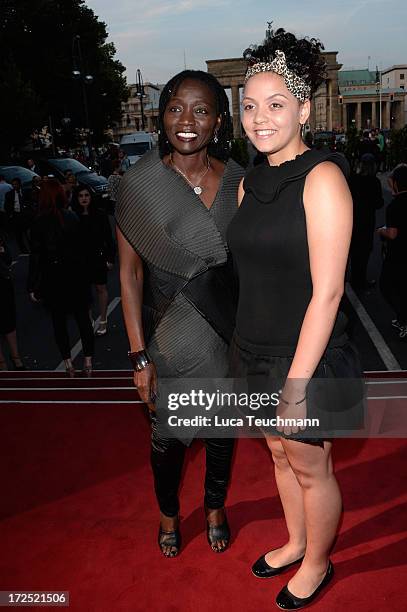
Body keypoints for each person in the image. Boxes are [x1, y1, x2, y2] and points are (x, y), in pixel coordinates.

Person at [227, 28, 363, 609]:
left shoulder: (323, 178)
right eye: (250, 106)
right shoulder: (247, 182)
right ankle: (297, 540)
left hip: (302, 355)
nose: (260, 118)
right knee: (279, 455)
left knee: (312, 467)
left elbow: (328, 293)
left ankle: (317, 562)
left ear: (303, 109)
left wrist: (298, 383)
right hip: (252, 346)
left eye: (276, 104)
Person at [116, 70, 244, 558]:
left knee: (220, 435)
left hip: (222, 336)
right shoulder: (139, 185)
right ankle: (170, 512)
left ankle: (214, 507)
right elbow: (128, 276)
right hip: (166, 340)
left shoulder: (237, 182)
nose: (186, 121)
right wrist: (138, 358)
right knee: (167, 445)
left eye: (201, 110)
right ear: (162, 114)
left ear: (217, 121)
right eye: (175, 108)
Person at [27, 179, 94, 376]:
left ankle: (68, 364)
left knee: (59, 323)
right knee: (83, 320)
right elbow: (82, 251)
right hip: (75, 276)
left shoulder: (39, 222)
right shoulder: (72, 217)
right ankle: (88, 362)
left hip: (53, 277)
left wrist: (33, 285)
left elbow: (36, 256)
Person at [71, 186, 116, 336]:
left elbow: (108, 238)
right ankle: (89, 319)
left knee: (100, 288)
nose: (84, 198)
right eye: (80, 196)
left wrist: (110, 258)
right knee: (85, 291)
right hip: (80, 260)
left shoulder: (99, 215)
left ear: (91, 197)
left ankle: (103, 319)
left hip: (97, 257)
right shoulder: (73, 216)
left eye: (86, 195)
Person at [378, 164, 407, 337]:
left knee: (387, 286)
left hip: (398, 253)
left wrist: (381, 231)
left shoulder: (394, 206)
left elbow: (393, 233)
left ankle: (404, 319)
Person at [349, 155, 384, 291]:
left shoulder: (354, 180)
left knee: (353, 250)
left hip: (353, 219)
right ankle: (360, 281)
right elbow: (379, 203)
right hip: (367, 221)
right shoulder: (374, 182)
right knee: (363, 253)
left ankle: (352, 279)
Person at [0, 215, 25, 370]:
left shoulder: (1, 236)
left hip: (3, 284)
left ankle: (16, 357)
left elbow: (8, 258)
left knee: (9, 321)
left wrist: (2, 251)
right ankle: (2, 363)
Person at [4, 178, 31, 253]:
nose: (14, 186)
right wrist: (10, 215)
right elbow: (7, 206)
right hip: (16, 215)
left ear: (20, 184)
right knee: (18, 234)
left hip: (25, 215)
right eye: (13, 184)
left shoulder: (25, 192)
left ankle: (31, 247)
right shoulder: (9, 194)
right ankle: (23, 249)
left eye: (16, 184)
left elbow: (30, 201)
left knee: (28, 233)